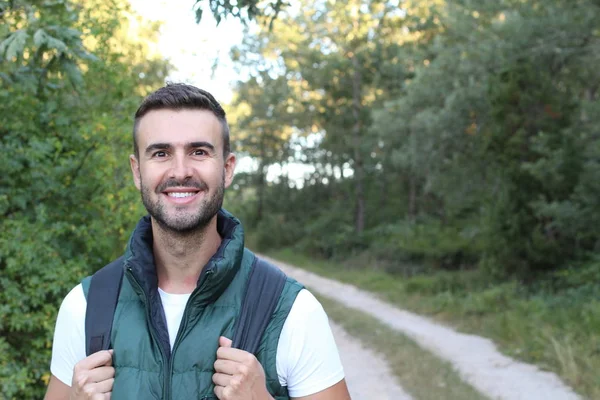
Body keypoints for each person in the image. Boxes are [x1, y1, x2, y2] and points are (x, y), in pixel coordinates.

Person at [44, 83, 351, 400]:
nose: (180, 171)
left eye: (199, 152)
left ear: (227, 168)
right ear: (137, 171)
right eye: (161, 153)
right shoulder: (85, 306)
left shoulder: (291, 311)